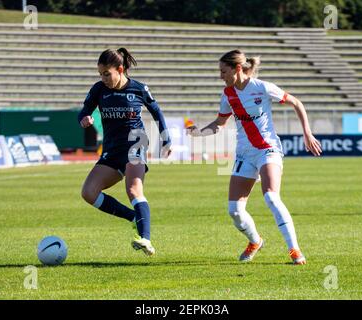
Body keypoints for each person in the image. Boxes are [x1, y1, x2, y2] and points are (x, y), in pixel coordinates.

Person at [187, 49, 322, 265]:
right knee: (235, 211)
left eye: (223, 71)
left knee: (270, 196)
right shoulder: (228, 94)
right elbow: (220, 124)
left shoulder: (262, 87)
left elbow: (296, 102)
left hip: (267, 148)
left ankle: (294, 250)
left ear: (237, 68)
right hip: (244, 154)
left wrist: (307, 133)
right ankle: (255, 241)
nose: (220, 76)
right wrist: (199, 133)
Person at [79, 48, 172, 256]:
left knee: (133, 190)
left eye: (106, 74)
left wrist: (166, 138)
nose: (103, 78)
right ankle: (133, 217)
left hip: (135, 143)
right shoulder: (98, 90)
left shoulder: (139, 88)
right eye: (100, 74)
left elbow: (156, 112)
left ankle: (145, 238)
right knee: (88, 193)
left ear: (120, 69)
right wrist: (84, 118)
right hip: (112, 149)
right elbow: (84, 110)